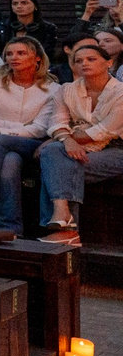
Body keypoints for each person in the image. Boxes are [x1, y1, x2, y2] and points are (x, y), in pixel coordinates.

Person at [39, 36, 123, 243]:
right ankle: (63, 219)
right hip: (76, 147)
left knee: (56, 162)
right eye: (78, 60)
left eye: (91, 59)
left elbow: (105, 131)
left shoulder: (121, 91)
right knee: (54, 156)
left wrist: (66, 138)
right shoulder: (66, 89)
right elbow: (57, 123)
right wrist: (67, 141)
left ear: (109, 63)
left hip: (117, 149)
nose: (84, 63)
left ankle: (63, 229)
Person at [0, 35, 60, 233]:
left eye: (21, 53)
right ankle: (10, 229)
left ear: (37, 58)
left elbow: (40, 128)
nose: (14, 58)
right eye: (9, 54)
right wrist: (20, 126)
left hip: (32, 145)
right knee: (10, 161)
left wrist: (1, 131)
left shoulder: (53, 89)